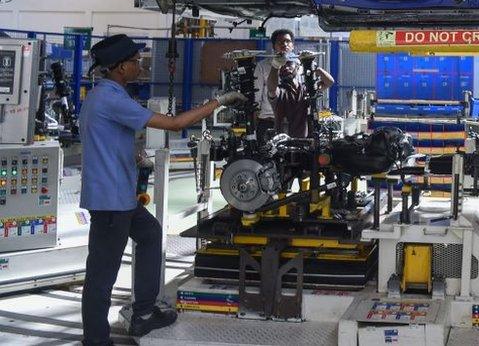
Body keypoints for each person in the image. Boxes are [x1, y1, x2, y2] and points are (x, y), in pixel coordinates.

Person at [80, 34, 246, 345]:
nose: (139, 65)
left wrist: (133, 154)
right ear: (118, 68)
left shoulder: (104, 95)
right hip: (111, 202)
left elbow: (106, 138)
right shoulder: (110, 99)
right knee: (101, 275)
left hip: (119, 197)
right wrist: (218, 102)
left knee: (150, 234)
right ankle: (95, 340)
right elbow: (174, 123)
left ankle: (144, 310)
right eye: (133, 61)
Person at [253, 29, 333, 133]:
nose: (284, 44)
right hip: (270, 122)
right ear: (274, 46)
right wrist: (253, 130)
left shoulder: (301, 65)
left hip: (298, 123)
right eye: (280, 42)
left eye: (288, 41)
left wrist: (311, 64)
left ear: (293, 45)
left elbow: (329, 82)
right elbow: (256, 99)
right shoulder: (263, 66)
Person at [268, 59, 313, 138]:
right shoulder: (280, 90)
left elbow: (329, 82)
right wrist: (275, 66)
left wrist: (311, 64)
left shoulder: (305, 89)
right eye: (282, 66)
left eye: (289, 64)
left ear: (297, 67)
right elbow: (272, 89)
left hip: (304, 141)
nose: (285, 68)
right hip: (284, 142)